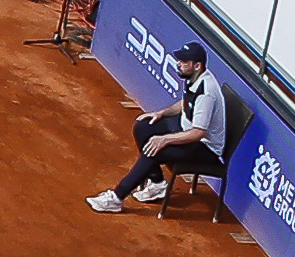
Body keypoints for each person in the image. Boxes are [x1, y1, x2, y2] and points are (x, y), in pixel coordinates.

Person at [87, 41, 228, 212]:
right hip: (185, 130)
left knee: (154, 149)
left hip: (204, 148)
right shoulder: (194, 77)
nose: (179, 64)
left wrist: (164, 139)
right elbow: (186, 103)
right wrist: (161, 113)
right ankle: (157, 183)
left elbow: (198, 133)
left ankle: (117, 197)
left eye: (184, 62)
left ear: (197, 65)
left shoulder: (207, 93)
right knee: (143, 127)